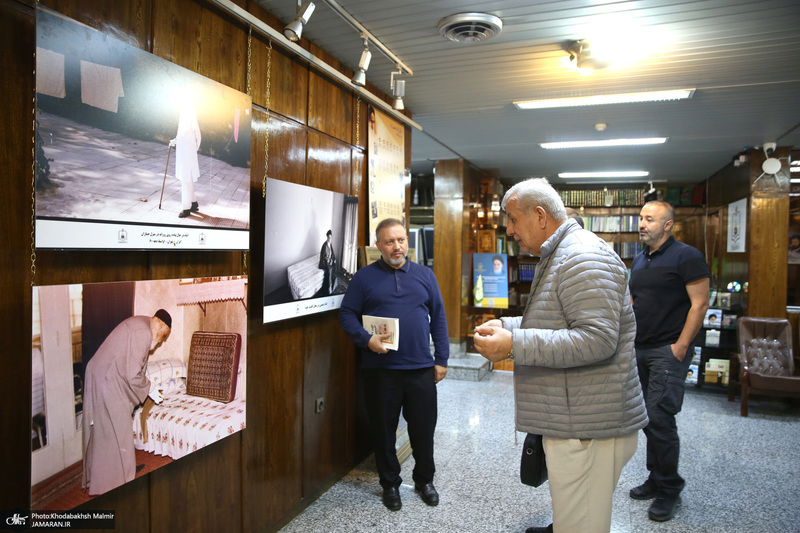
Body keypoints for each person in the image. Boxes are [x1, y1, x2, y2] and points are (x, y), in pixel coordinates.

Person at [473, 178, 647, 533]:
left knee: (581, 525)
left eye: (512, 219)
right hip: (578, 419)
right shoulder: (563, 252)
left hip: (588, 428)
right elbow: (558, 317)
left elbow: (597, 339)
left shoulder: (581, 256)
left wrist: (514, 344)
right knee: (576, 515)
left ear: (539, 216)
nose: (509, 230)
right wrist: (507, 325)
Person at [338, 218, 449, 511]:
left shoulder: (425, 275)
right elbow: (346, 315)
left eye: (401, 240)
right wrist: (365, 340)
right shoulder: (363, 278)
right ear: (379, 246)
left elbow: (438, 318)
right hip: (381, 371)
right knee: (383, 431)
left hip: (420, 369)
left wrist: (442, 360)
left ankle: (425, 480)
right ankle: (390, 485)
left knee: (423, 431)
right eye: (389, 242)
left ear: (407, 242)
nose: (396, 247)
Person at [628, 200, 710, 522]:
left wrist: (681, 347)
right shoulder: (639, 259)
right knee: (646, 418)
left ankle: (669, 489)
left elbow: (700, 304)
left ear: (668, 225)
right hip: (641, 348)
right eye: (641, 218)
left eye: (650, 219)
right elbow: (636, 301)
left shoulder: (687, 256)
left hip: (668, 350)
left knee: (660, 419)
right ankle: (655, 478)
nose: (642, 223)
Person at [82, 309, 172, 496]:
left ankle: (117, 474)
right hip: (106, 378)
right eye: (161, 337)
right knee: (118, 428)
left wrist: (146, 387)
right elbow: (132, 375)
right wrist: (150, 389)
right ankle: (118, 481)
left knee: (108, 430)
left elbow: (133, 367)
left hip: (105, 375)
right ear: (161, 325)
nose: (158, 343)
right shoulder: (143, 332)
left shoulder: (141, 324)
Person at [171, 99, 202, 218]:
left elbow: (198, 139)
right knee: (187, 180)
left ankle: (186, 208)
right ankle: (193, 204)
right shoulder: (183, 123)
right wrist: (174, 141)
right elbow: (180, 137)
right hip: (183, 156)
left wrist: (192, 151)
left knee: (186, 180)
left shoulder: (192, 125)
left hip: (188, 157)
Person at [319, 229, 337, 295]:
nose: (330, 239)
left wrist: (333, 259)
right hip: (324, 262)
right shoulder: (324, 245)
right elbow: (323, 256)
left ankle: (334, 285)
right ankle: (329, 289)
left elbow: (332, 253)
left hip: (329, 261)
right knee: (329, 270)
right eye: (329, 238)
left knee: (335, 267)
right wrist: (328, 260)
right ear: (327, 237)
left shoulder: (330, 244)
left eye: (331, 238)